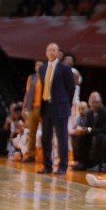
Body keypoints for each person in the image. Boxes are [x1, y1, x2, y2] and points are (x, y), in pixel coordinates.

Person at [38, 42, 75, 175]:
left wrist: (66, 103)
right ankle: (47, 166)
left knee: (62, 138)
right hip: (46, 106)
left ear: (58, 53)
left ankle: (62, 166)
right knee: (45, 138)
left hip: (60, 107)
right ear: (46, 53)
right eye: (50, 50)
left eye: (54, 50)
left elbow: (71, 88)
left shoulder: (64, 68)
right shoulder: (42, 68)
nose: (52, 52)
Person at [72, 91, 106, 172]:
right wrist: (83, 130)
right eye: (93, 102)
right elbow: (88, 126)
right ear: (89, 103)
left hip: (104, 135)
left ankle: (98, 164)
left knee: (99, 137)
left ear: (101, 102)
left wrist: (89, 130)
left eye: (97, 102)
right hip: (93, 134)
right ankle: (82, 162)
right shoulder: (89, 113)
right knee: (80, 135)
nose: (95, 104)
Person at [22, 60, 44, 162]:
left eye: (40, 65)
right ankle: (31, 155)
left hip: (43, 108)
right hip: (32, 107)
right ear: (34, 67)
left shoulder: (45, 78)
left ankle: (44, 155)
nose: (38, 67)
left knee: (45, 133)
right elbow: (27, 93)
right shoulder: (31, 78)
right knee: (31, 132)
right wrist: (24, 107)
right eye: (37, 65)